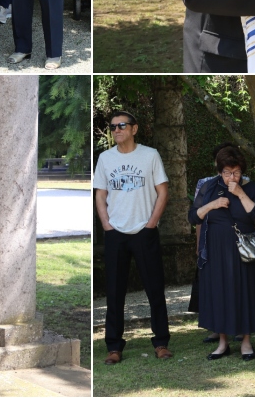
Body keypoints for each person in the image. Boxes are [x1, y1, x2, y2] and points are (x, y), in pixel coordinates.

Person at [94, 110, 172, 365]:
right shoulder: (105, 158)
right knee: (114, 293)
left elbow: (163, 191)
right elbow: (100, 194)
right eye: (113, 126)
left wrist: (151, 225)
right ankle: (114, 347)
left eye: (122, 125)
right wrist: (106, 225)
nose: (116, 130)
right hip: (116, 233)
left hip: (144, 232)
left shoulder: (149, 155)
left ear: (134, 129)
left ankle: (161, 343)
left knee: (155, 290)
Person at [188, 144, 255, 361]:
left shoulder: (249, 187)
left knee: (245, 292)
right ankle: (222, 343)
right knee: (218, 293)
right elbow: (193, 217)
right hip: (215, 249)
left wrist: (240, 193)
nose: (233, 176)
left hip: (243, 249)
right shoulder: (208, 188)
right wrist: (211, 205)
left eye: (237, 172)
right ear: (220, 171)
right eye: (228, 172)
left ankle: (246, 342)